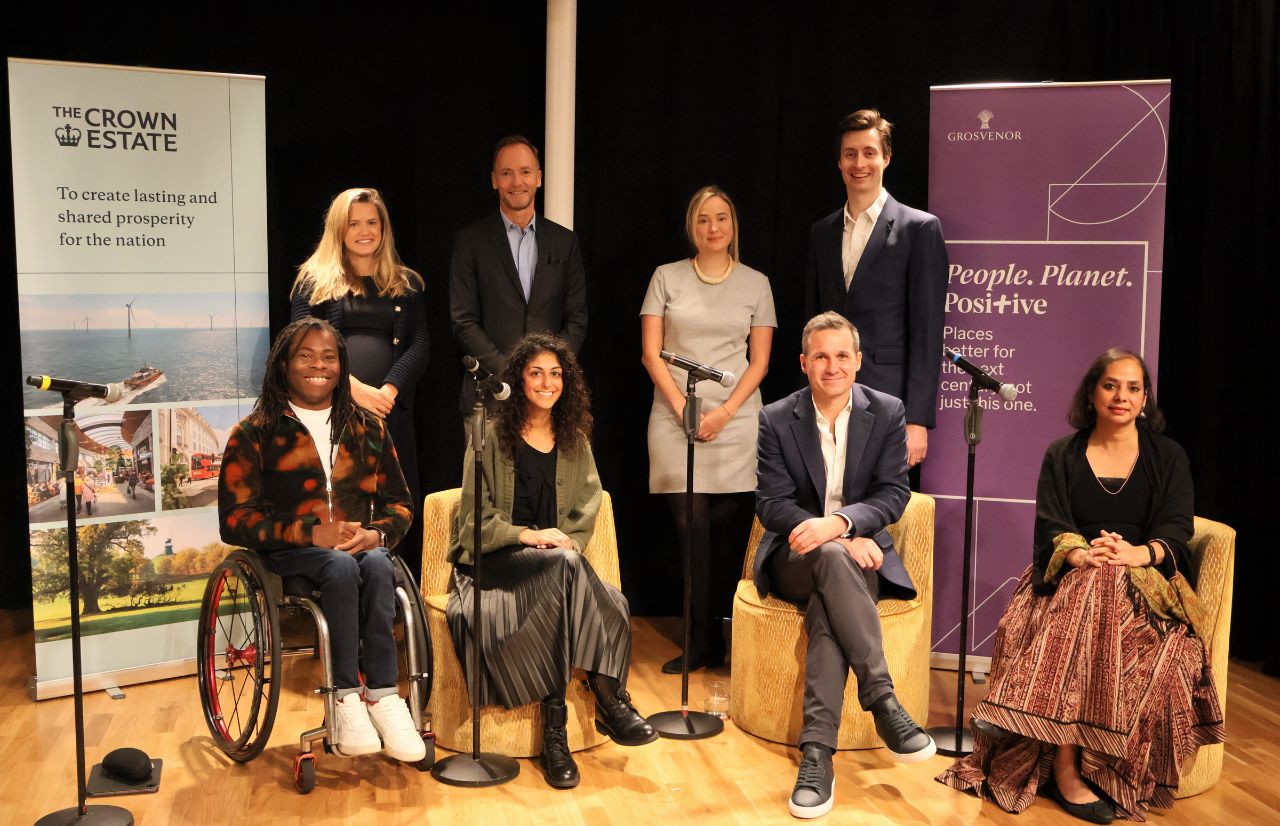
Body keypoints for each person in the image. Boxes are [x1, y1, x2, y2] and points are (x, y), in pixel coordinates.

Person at [937, 349, 1225, 823]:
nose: (1121, 396)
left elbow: (1176, 530)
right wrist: (1081, 554)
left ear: (1146, 398)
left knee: (1107, 583)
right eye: (1111, 385)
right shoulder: (1062, 454)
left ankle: (1065, 745)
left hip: (1146, 590)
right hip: (1070, 579)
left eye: (1133, 388)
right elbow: (1051, 525)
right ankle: (1068, 765)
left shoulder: (1168, 456)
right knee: (1094, 583)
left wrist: (1133, 554)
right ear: (1092, 393)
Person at [448, 332, 655, 790]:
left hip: (556, 567)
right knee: (566, 568)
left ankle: (555, 736)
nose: (547, 382)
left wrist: (567, 544)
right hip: (498, 563)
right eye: (536, 372)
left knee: (564, 568)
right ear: (519, 379)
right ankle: (608, 697)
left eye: (556, 374)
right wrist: (528, 535)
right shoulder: (488, 436)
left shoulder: (574, 439)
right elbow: (472, 521)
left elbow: (586, 508)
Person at [218, 317, 426, 764]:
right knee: (343, 564)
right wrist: (310, 532)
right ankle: (346, 696)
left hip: (355, 556)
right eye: (305, 356)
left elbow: (402, 504)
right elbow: (235, 521)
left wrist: (377, 533)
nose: (318, 366)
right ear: (284, 365)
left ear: (342, 366)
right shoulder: (254, 433)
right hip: (289, 559)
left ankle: (384, 696)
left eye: (329, 357)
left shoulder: (367, 428)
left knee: (373, 562)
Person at [755, 312, 935, 819]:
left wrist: (842, 526)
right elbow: (771, 502)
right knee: (831, 560)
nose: (831, 366)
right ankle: (882, 702)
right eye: (820, 356)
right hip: (794, 553)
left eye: (841, 356)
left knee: (826, 613)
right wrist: (830, 534)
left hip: (856, 552)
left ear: (857, 361)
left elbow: (894, 493)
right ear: (804, 363)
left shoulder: (888, 411)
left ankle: (817, 759)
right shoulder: (775, 417)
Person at [640, 185, 776, 673]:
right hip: (676, 416)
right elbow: (650, 352)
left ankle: (719, 631)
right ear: (692, 227)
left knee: (727, 533)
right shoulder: (666, 278)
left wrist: (723, 413)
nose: (713, 227)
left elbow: (759, 362)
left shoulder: (756, 284)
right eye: (703, 219)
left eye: (721, 218)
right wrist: (682, 407)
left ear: (733, 226)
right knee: (689, 529)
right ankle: (697, 637)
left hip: (736, 420)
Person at [291, 187, 429, 573]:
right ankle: (344, 583)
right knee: (345, 500)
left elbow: (418, 345)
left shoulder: (407, 283)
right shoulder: (312, 281)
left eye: (373, 222)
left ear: (383, 229)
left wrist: (388, 390)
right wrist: (354, 391)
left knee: (395, 502)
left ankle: (396, 596)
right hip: (335, 412)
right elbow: (300, 346)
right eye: (355, 223)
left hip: (391, 412)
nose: (364, 231)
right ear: (339, 229)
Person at [804, 109, 948, 470]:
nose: (859, 163)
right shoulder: (821, 232)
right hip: (827, 396)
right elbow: (813, 323)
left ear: (886, 157)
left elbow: (927, 332)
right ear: (839, 161)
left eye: (869, 153)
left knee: (880, 517)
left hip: (890, 400)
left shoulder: (920, 229)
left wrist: (917, 420)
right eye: (850, 154)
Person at [449, 135, 588, 412]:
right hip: (490, 395)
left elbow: (577, 317)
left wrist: (544, 374)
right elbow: (463, 320)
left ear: (538, 177)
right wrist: (512, 373)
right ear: (494, 180)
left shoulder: (565, 242)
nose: (517, 182)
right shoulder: (470, 242)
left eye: (525, 172)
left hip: (551, 399)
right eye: (506, 173)